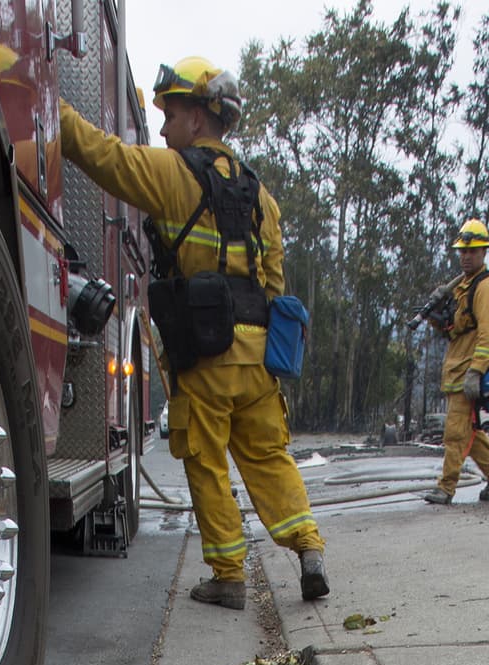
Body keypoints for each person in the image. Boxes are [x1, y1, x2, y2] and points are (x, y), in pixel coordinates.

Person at [59, 57, 328, 609]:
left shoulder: (173, 174)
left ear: (199, 121)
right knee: (268, 457)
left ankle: (228, 577)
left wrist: (47, 105)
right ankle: (309, 550)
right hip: (257, 358)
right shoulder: (262, 198)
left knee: (206, 460)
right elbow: (274, 281)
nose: (162, 129)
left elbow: (102, 157)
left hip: (206, 356)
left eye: (171, 115)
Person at [422, 219, 489, 507]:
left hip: (467, 372)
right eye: (462, 251)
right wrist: (436, 315)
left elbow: (488, 335)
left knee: (455, 433)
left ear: (484, 252)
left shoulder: (486, 287)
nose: (465, 256)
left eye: (472, 251)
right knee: (469, 431)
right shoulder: (461, 287)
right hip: (455, 369)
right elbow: (454, 330)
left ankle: (446, 488)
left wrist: (476, 371)